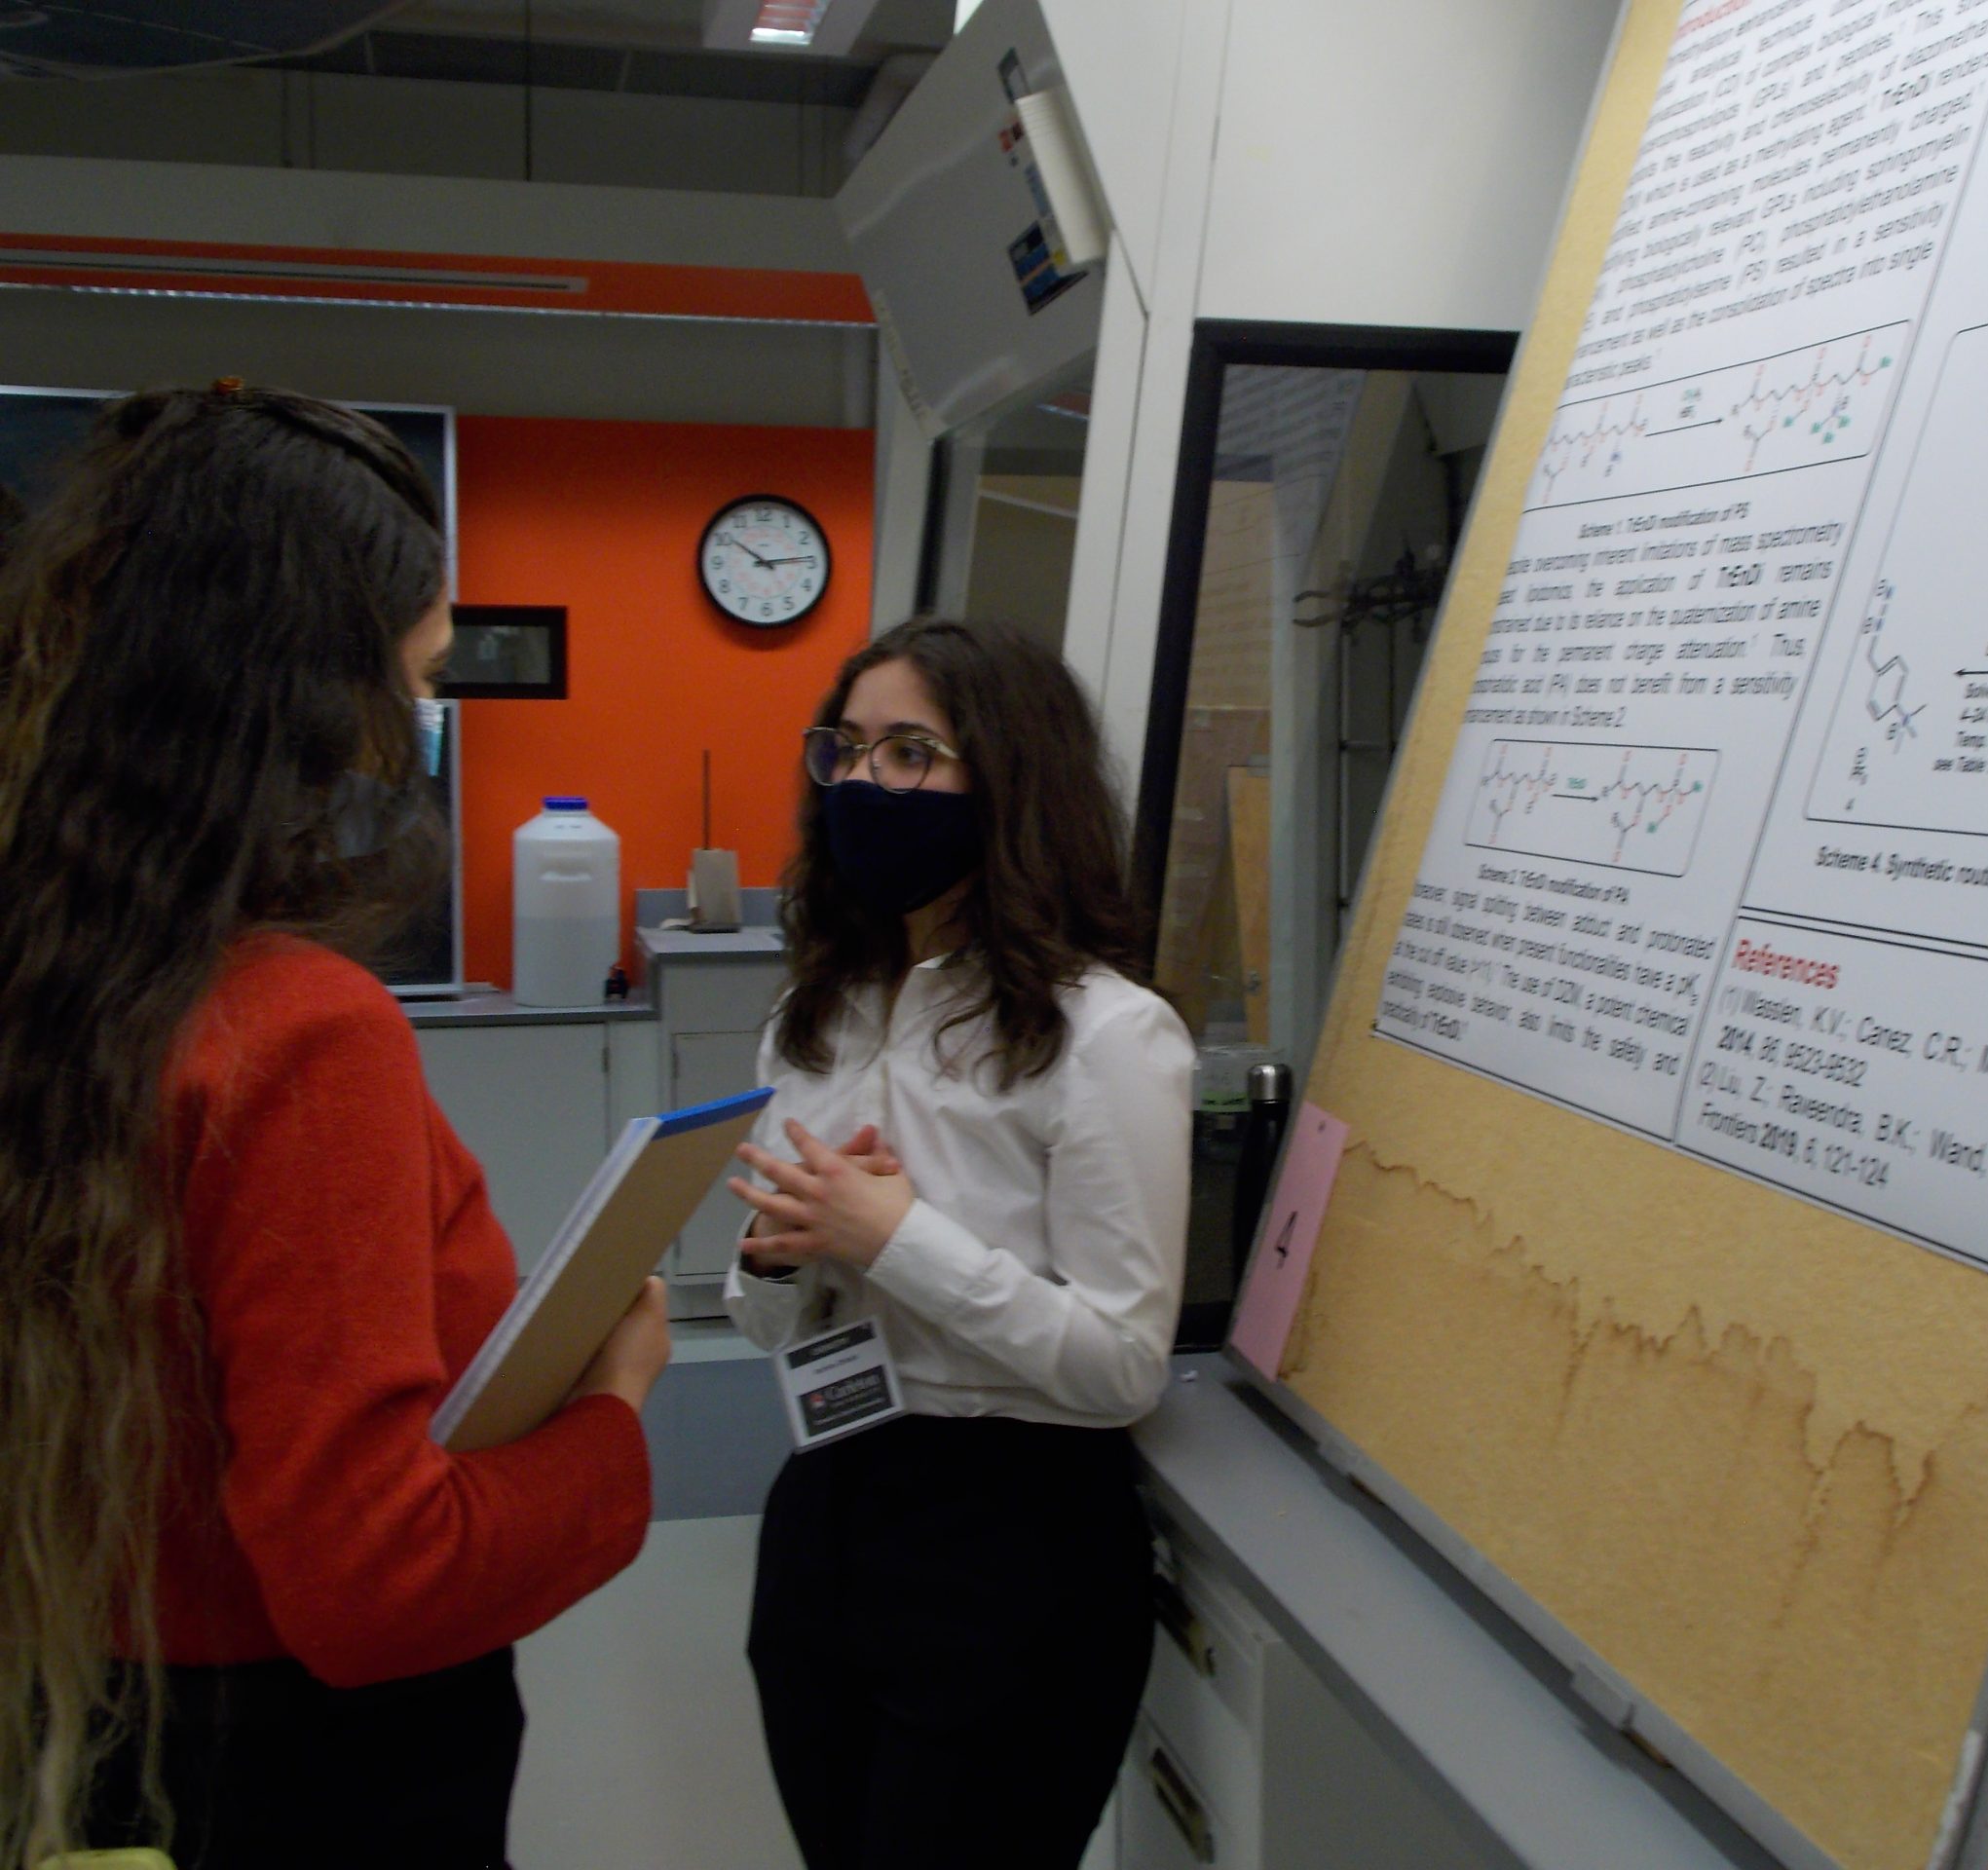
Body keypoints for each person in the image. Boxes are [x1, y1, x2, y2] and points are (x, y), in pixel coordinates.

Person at [0, 383, 672, 1869]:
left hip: (97, 1730)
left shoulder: (63, 984)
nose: (417, 731)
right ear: (306, 696)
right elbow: (375, 1580)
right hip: (306, 1777)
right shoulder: (299, 1035)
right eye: (417, 680)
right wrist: (611, 1412)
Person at [724, 617, 1193, 1870]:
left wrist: (895, 1239)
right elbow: (766, 1324)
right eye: (846, 749)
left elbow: (1121, 1364)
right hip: (830, 1501)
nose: (863, 782)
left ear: (1010, 779)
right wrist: (777, 1257)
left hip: (1013, 1542)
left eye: (910, 752)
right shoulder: (819, 1014)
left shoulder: (1107, 1036)